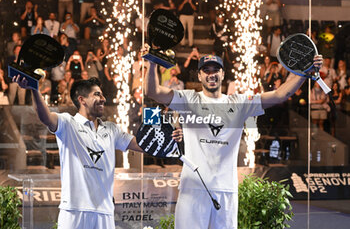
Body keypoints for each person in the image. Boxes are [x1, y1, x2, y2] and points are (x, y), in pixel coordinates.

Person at [145, 53, 322, 229]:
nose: (211, 74)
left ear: (223, 74)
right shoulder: (188, 99)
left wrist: (303, 71)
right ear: (199, 75)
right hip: (193, 189)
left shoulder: (239, 102)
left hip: (226, 190)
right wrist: (152, 63)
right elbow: (153, 91)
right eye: (206, 70)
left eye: (216, 70)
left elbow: (279, 95)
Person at [13, 75, 182, 229]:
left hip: (105, 213)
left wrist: (171, 139)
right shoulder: (67, 123)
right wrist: (34, 89)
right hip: (74, 211)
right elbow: (45, 116)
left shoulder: (112, 129)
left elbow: (142, 145)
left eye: (102, 95)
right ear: (82, 100)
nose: (103, 99)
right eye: (97, 95)